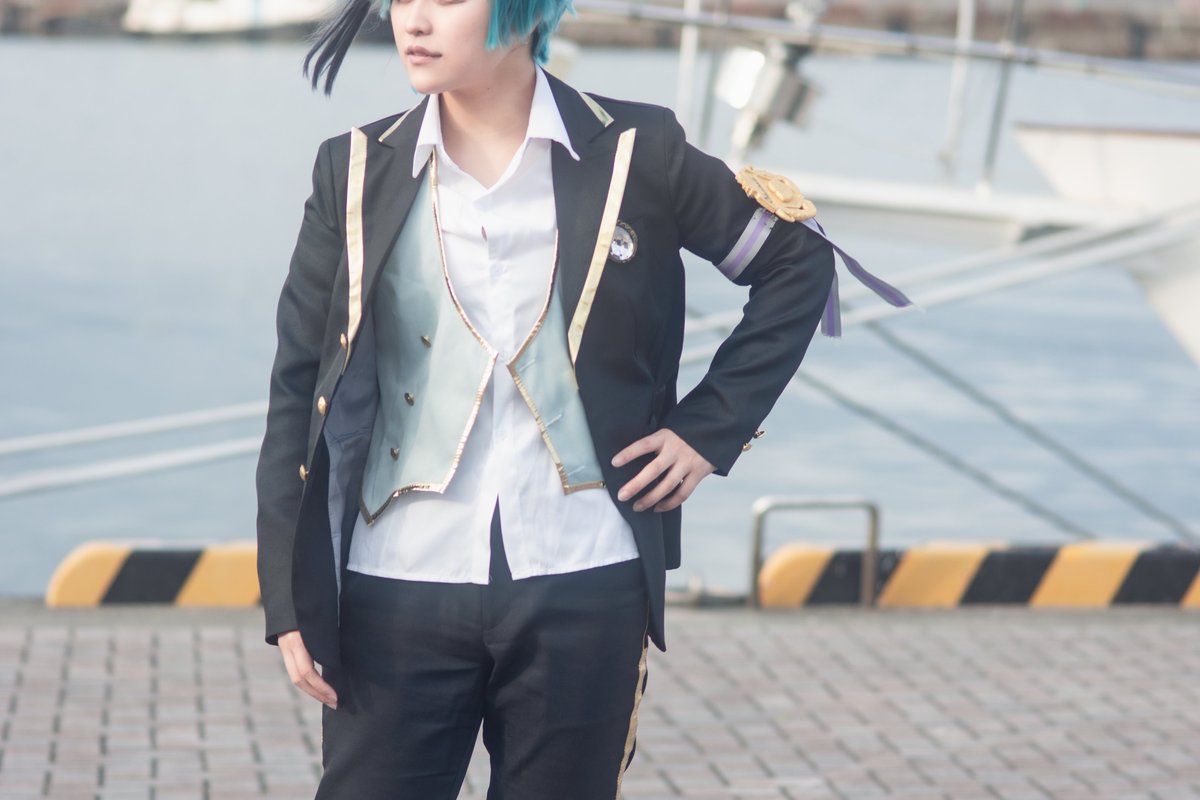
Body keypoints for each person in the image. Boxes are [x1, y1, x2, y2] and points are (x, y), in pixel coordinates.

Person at [254, 0, 912, 796]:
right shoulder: (355, 168)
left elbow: (797, 264)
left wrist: (709, 429)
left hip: (584, 574)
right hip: (393, 580)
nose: (413, 20)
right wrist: (289, 595)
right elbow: (298, 386)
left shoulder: (637, 150)